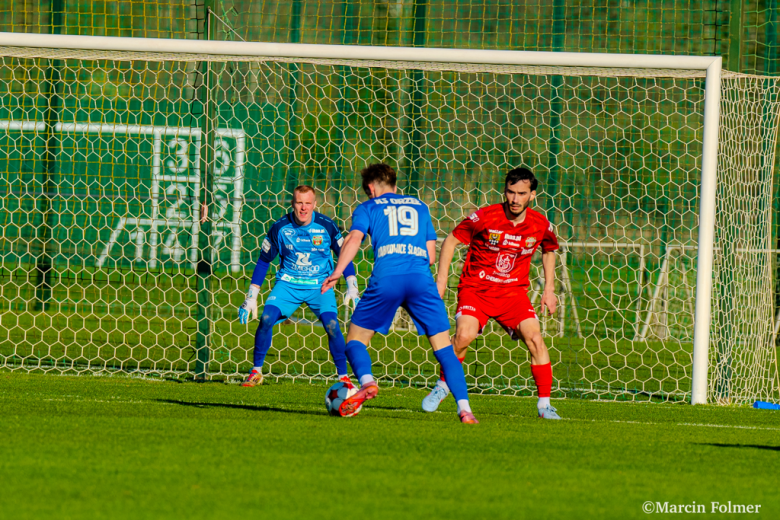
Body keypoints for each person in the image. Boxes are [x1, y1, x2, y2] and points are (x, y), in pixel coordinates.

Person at [321, 163, 478, 423]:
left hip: (388, 279)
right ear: (395, 185)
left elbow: (354, 239)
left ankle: (368, 382)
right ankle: (465, 409)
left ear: (370, 188)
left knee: (355, 341)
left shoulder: (368, 207)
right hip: (421, 280)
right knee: (445, 350)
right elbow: (430, 255)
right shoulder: (420, 206)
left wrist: (338, 271)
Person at [423, 167, 561, 419]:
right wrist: (441, 280)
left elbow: (549, 249)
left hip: (513, 294)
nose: (515, 199)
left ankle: (545, 406)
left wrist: (549, 290)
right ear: (504, 191)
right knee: (463, 336)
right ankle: (443, 385)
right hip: (476, 290)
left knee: (535, 338)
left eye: (522, 193)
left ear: (532, 195)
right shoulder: (485, 217)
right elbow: (451, 240)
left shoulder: (540, 224)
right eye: (510, 192)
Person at [238, 185, 360, 386]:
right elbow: (263, 261)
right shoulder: (280, 227)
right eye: (299, 203)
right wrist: (251, 296)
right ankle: (256, 372)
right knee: (266, 318)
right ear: (292, 203)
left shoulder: (327, 226)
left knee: (332, 325)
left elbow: (345, 254)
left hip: (320, 285)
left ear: (315, 204)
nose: (303, 208)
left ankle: (344, 378)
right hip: (288, 285)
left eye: (308, 203)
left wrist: (352, 286)